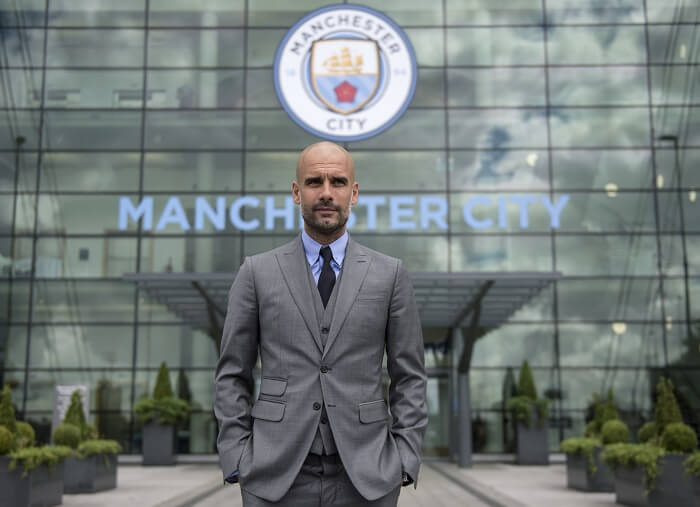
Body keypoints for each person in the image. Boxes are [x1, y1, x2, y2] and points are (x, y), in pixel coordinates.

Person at [214, 141, 427, 506]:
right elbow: (233, 371)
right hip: (273, 475)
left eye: (338, 182)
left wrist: (405, 458)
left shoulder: (389, 274)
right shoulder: (257, 272)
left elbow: (410, 375)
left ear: (354, 192)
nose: (326, 193)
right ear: (297, 192)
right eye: (314, 182)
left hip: (369, 475)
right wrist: (236, 456)